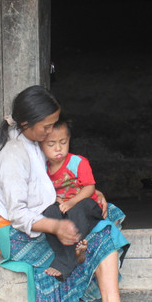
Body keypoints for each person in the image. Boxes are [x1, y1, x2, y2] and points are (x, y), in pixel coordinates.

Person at [0, 85, 152, 302]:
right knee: (101, 231)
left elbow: (49, 183)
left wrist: (86, 194)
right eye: (47, 126)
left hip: (45, 216)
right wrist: (57, 226)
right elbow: (18, 215)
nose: (50, 133)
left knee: (102, 211)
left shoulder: (30, 139)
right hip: (18, 235)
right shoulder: (12, 156)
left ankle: (108, 301)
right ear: (25, 123)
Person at [38, 116, 103, 280]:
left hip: (86, 208)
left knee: (80, 208)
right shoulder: (41, 168)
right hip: (64, 211)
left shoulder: (78, 162)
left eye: (63, 142)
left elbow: (89, 187)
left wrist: (72, 202)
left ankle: (66, 261)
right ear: (40, 145)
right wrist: (56, 200)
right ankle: (74, 252)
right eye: (51, 144)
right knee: (48, 213)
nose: (58, 148)